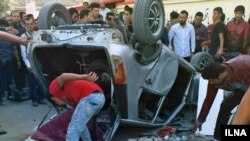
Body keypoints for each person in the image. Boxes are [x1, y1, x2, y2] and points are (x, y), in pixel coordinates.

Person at [194, 55, 250, 140]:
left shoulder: (243, 65)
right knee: (225, 106)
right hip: (241, 91)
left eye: (212, 81)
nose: (211, 83)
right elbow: (208, 100)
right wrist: (200, 121)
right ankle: (218, 137)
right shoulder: (214, 79)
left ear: (220, 75)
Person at [49, 72, 105, 141]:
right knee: (80, 126)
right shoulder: (71, 99)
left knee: (73, 129)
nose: (59, 104)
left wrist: (83, 77)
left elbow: (63, 76)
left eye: (56, 103)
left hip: (90, 97)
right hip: (99, 99)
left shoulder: (52, 90)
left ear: (53, 98)